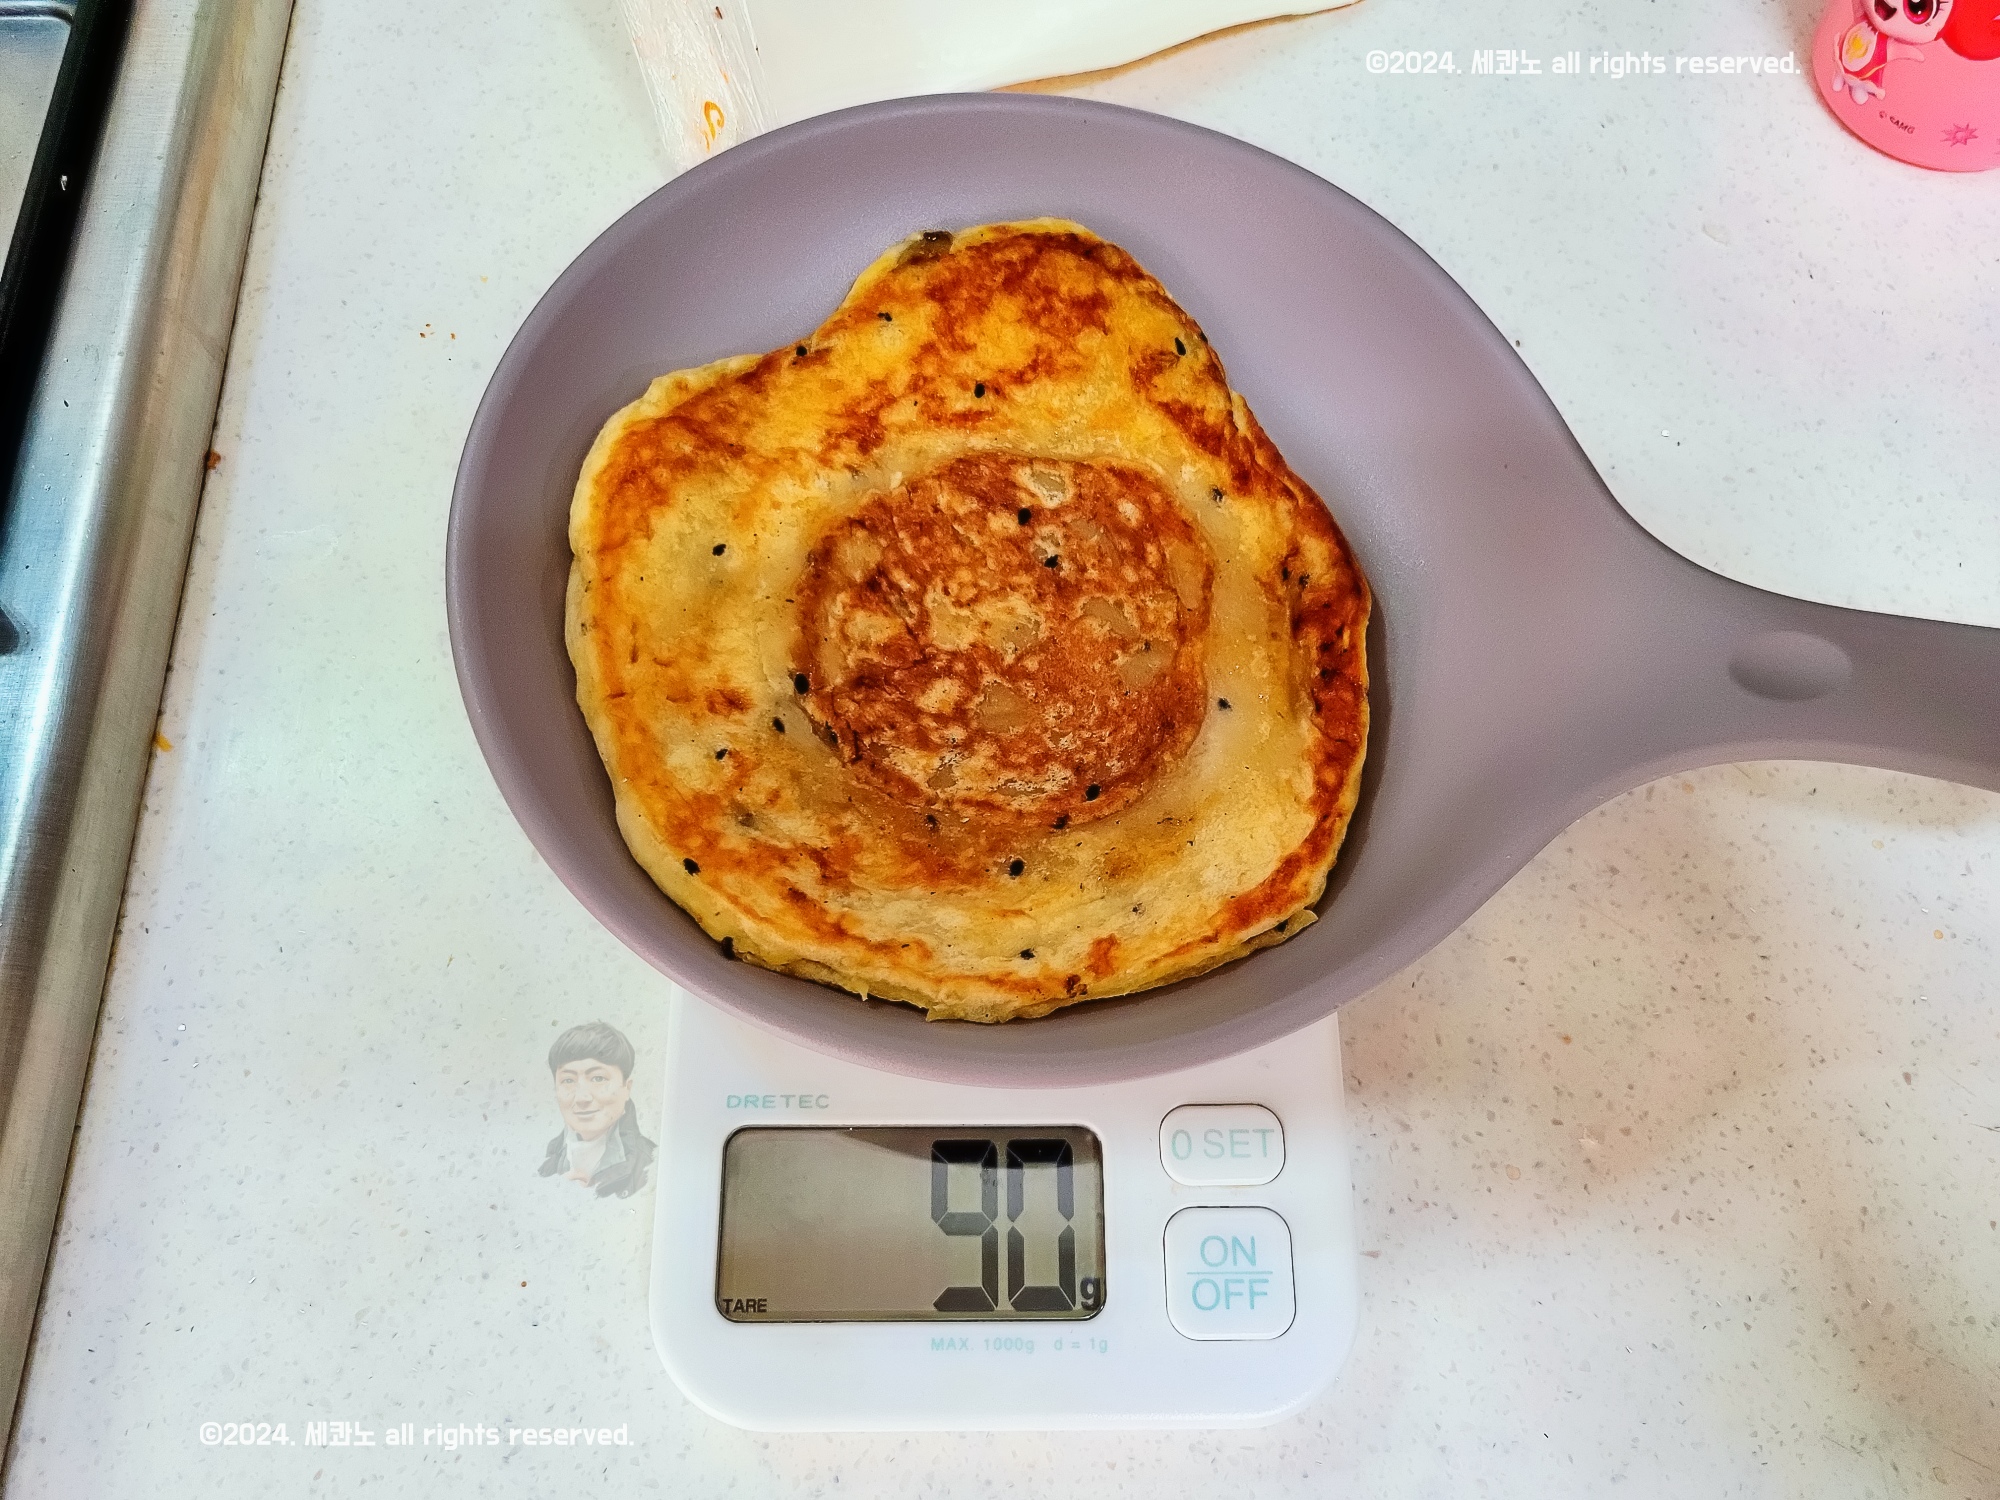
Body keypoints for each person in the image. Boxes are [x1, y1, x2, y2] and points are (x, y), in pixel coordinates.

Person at [537, 1022, 657, 1198]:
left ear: (627, 1088)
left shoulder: (652, 1164)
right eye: (568, 1080)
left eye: (598, 1078)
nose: (582, 1097)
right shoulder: (546, 1164)